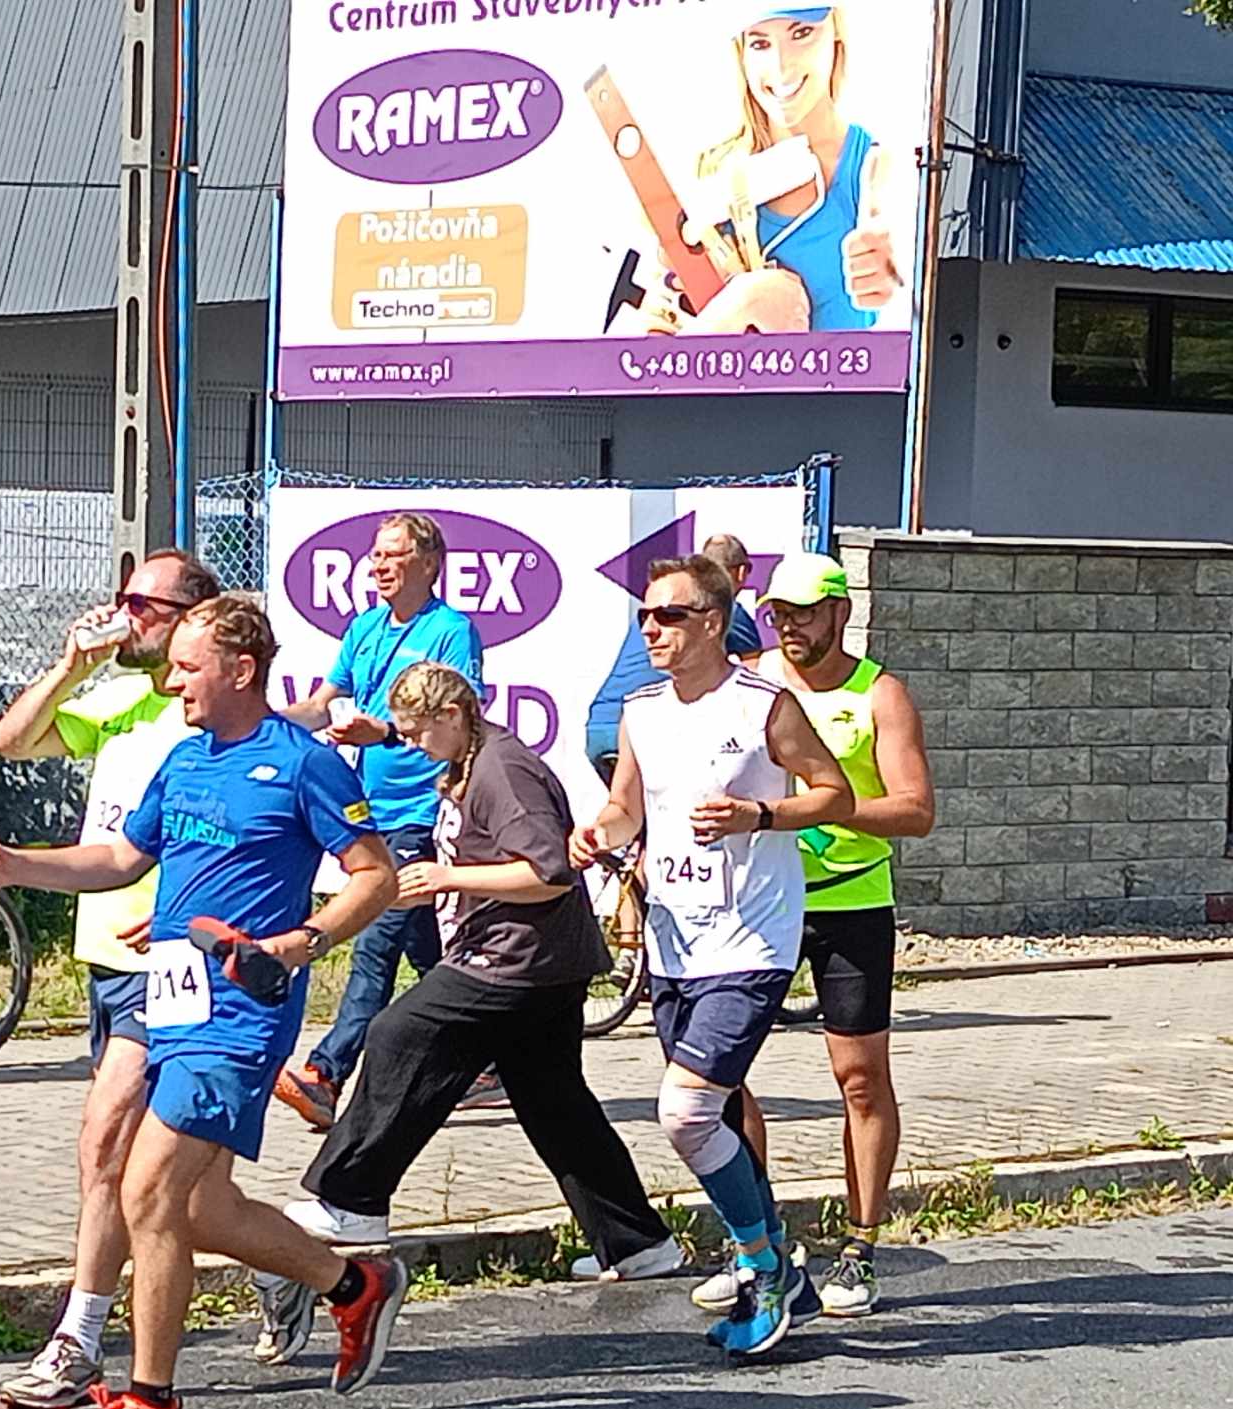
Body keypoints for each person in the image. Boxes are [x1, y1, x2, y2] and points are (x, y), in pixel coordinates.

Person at [0, 597, 408, 1409]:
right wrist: (12, 867)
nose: (172, 681)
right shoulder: (186, 758)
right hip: (172, 1000)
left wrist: (299, 943)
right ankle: (353, 1281)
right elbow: (121, 859)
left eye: (188, 668)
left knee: (146, 1188)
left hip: (242, 1012)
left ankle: (152, 1408)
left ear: (241, 670)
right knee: (198, 1208)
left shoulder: (302, 763)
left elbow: (375, 876)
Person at [253, 663, 682, 1361]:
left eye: (421, 732)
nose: (415, 746)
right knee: (554, 1104)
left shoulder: (503, 771)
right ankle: (639, 1243)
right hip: (539, 962)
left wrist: (448, 876)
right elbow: (411, 741)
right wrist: (380, 735)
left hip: (518, 960)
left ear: (453, 716)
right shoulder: (469, 752)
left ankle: (352, 1200)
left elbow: (548, 874)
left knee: (399, 1034)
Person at [569, 554, 853, 1358]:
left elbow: (833, 793)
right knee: (718, 1113)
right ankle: (779, 1262)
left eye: (670, 615)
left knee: (685, 1111)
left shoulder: (763, 705)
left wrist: (759, 815)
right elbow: (627, 807)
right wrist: (598, 835)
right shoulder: (642, 710)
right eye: (644, 616)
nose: (652, 629)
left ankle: (761, 1263)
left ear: (714, 623)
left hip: (753, 939)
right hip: (675, 941)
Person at [0, 549, 221, 1408]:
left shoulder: (206, 709)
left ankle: (78, 1337)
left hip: (173, 958)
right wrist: (71, 665)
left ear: (193, 618)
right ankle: (313, 1274)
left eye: (146, 605)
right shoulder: (118, 697)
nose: (129, 616)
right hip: (107, 954)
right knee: (192, 1193)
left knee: (106, 1145)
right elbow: (11, 742)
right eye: (124, 600)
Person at [737, 552, 934, 1318]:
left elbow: (915, 810)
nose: (789, 627)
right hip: (763, 898)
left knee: (859, 1078)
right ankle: (756, 1244)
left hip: (851, 902)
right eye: (778, 614)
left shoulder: (880, 695)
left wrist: (818, 807)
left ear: (840, 612)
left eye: (804, 613)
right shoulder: (752, 683)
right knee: (719, 1072)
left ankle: (859, 1245)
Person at [276, 513, 483, 1128]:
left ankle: (325, 1073)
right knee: (425, 950)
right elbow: (323, 704)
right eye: (375, 554)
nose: (379, 564)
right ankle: (489, 1051)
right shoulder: (364, 627)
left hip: (420, 811)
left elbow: (460, 714)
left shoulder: (451, 631)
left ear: (429, 564)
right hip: (369, 811)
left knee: (374, 945)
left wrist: (387, 731)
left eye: (394, 554)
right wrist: (266, 726)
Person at [687, 6, 905, 336]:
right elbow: (649, 353)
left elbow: (903, 256)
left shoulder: (874, 170)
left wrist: (896, 273)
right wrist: (742, 304)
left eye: (802, 33)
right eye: (760, 44)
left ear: (836, 32)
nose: (781, 67)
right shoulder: (710, 178)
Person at [585, 532, 764, 783]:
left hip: (601, 726)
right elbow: (756, 674)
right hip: (644, 727)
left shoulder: (655, 614)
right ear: (742, 572)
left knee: (635, 806)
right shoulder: (725, 612)